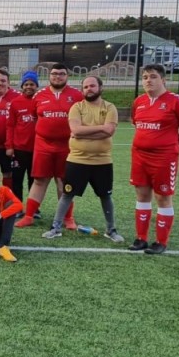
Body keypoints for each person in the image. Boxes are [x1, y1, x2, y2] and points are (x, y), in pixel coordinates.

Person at [42, 76, 124, 242]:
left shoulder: (110, 108)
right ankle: (55, 228)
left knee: (105, 196)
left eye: (92, 86)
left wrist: (84, 132)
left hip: (102, 161)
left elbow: (109, 131)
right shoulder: (76, 107)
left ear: (101, 88)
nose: (89, 89)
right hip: (77, 160)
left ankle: (111, 230)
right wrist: (99, 130)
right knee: (67, 194)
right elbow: (76, 130)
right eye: (85, 87)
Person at [128, 64, 179, 254]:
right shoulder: (139, 101)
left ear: (163, 80)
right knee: (142, 194)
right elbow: (137, 125)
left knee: (163, 197)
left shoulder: (176, 101)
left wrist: (170, 145)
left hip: (164, 158)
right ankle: (141, 238)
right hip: (139, 156)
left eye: (153, 76)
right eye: (145, 77)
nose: (148, 80)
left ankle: (161, 241)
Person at [15, 63, 83, 228]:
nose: (57, 77)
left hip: (67, 146)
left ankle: (68, 218)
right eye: (54, 74)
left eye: (61, 74)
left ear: (67, 76)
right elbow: (35, 116)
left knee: (63, 181)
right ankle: (29, 216)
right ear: (49, 76)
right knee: (39, 180)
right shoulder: (39, 95)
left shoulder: (77, 95)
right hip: (43, 145)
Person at [6, 71, 39, 205]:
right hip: (19, 149)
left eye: (32, 84)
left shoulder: (41, 101)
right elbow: (10, 126)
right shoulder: (15, 103)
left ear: (36, 86)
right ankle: (17, 206)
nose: (29, 87)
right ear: (22, 86)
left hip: (37, 149)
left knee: (34, 180)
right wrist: (9, 146)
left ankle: (33, 208)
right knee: (17, 179)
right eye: (26, 84)